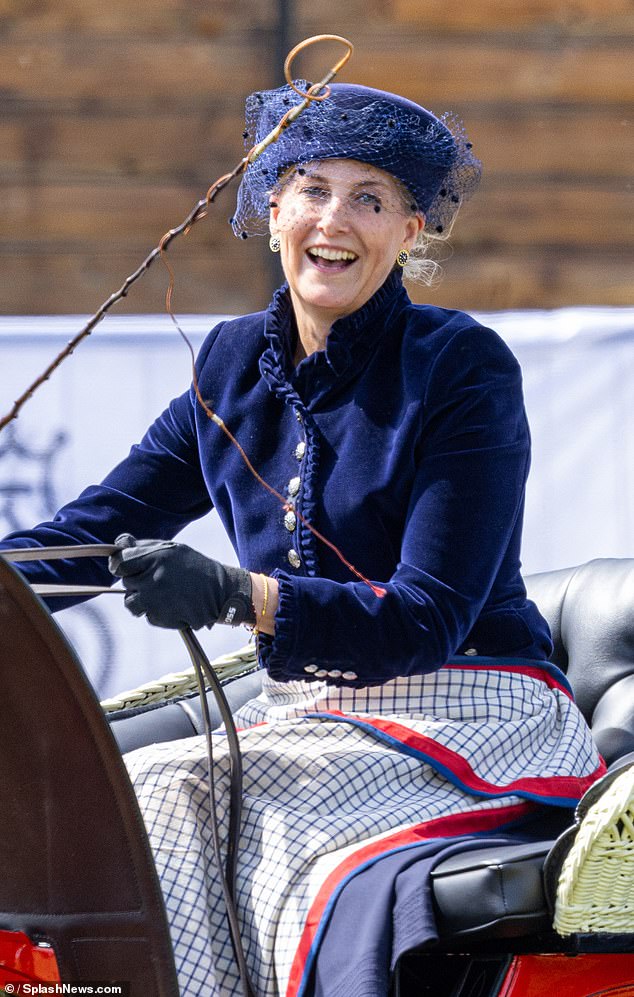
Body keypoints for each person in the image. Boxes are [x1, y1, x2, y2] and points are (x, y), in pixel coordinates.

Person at [0, 82, 603, 997]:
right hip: (317, 722)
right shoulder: (229, 364)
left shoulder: (462, 367)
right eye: (313, 188)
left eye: (371, 199)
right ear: (272, 206)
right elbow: (85, 539)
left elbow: (424, 618)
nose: (335, 219)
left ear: (410, 232)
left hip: (476, 712)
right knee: (109, 800)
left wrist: (242, 595)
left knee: (173, 795)